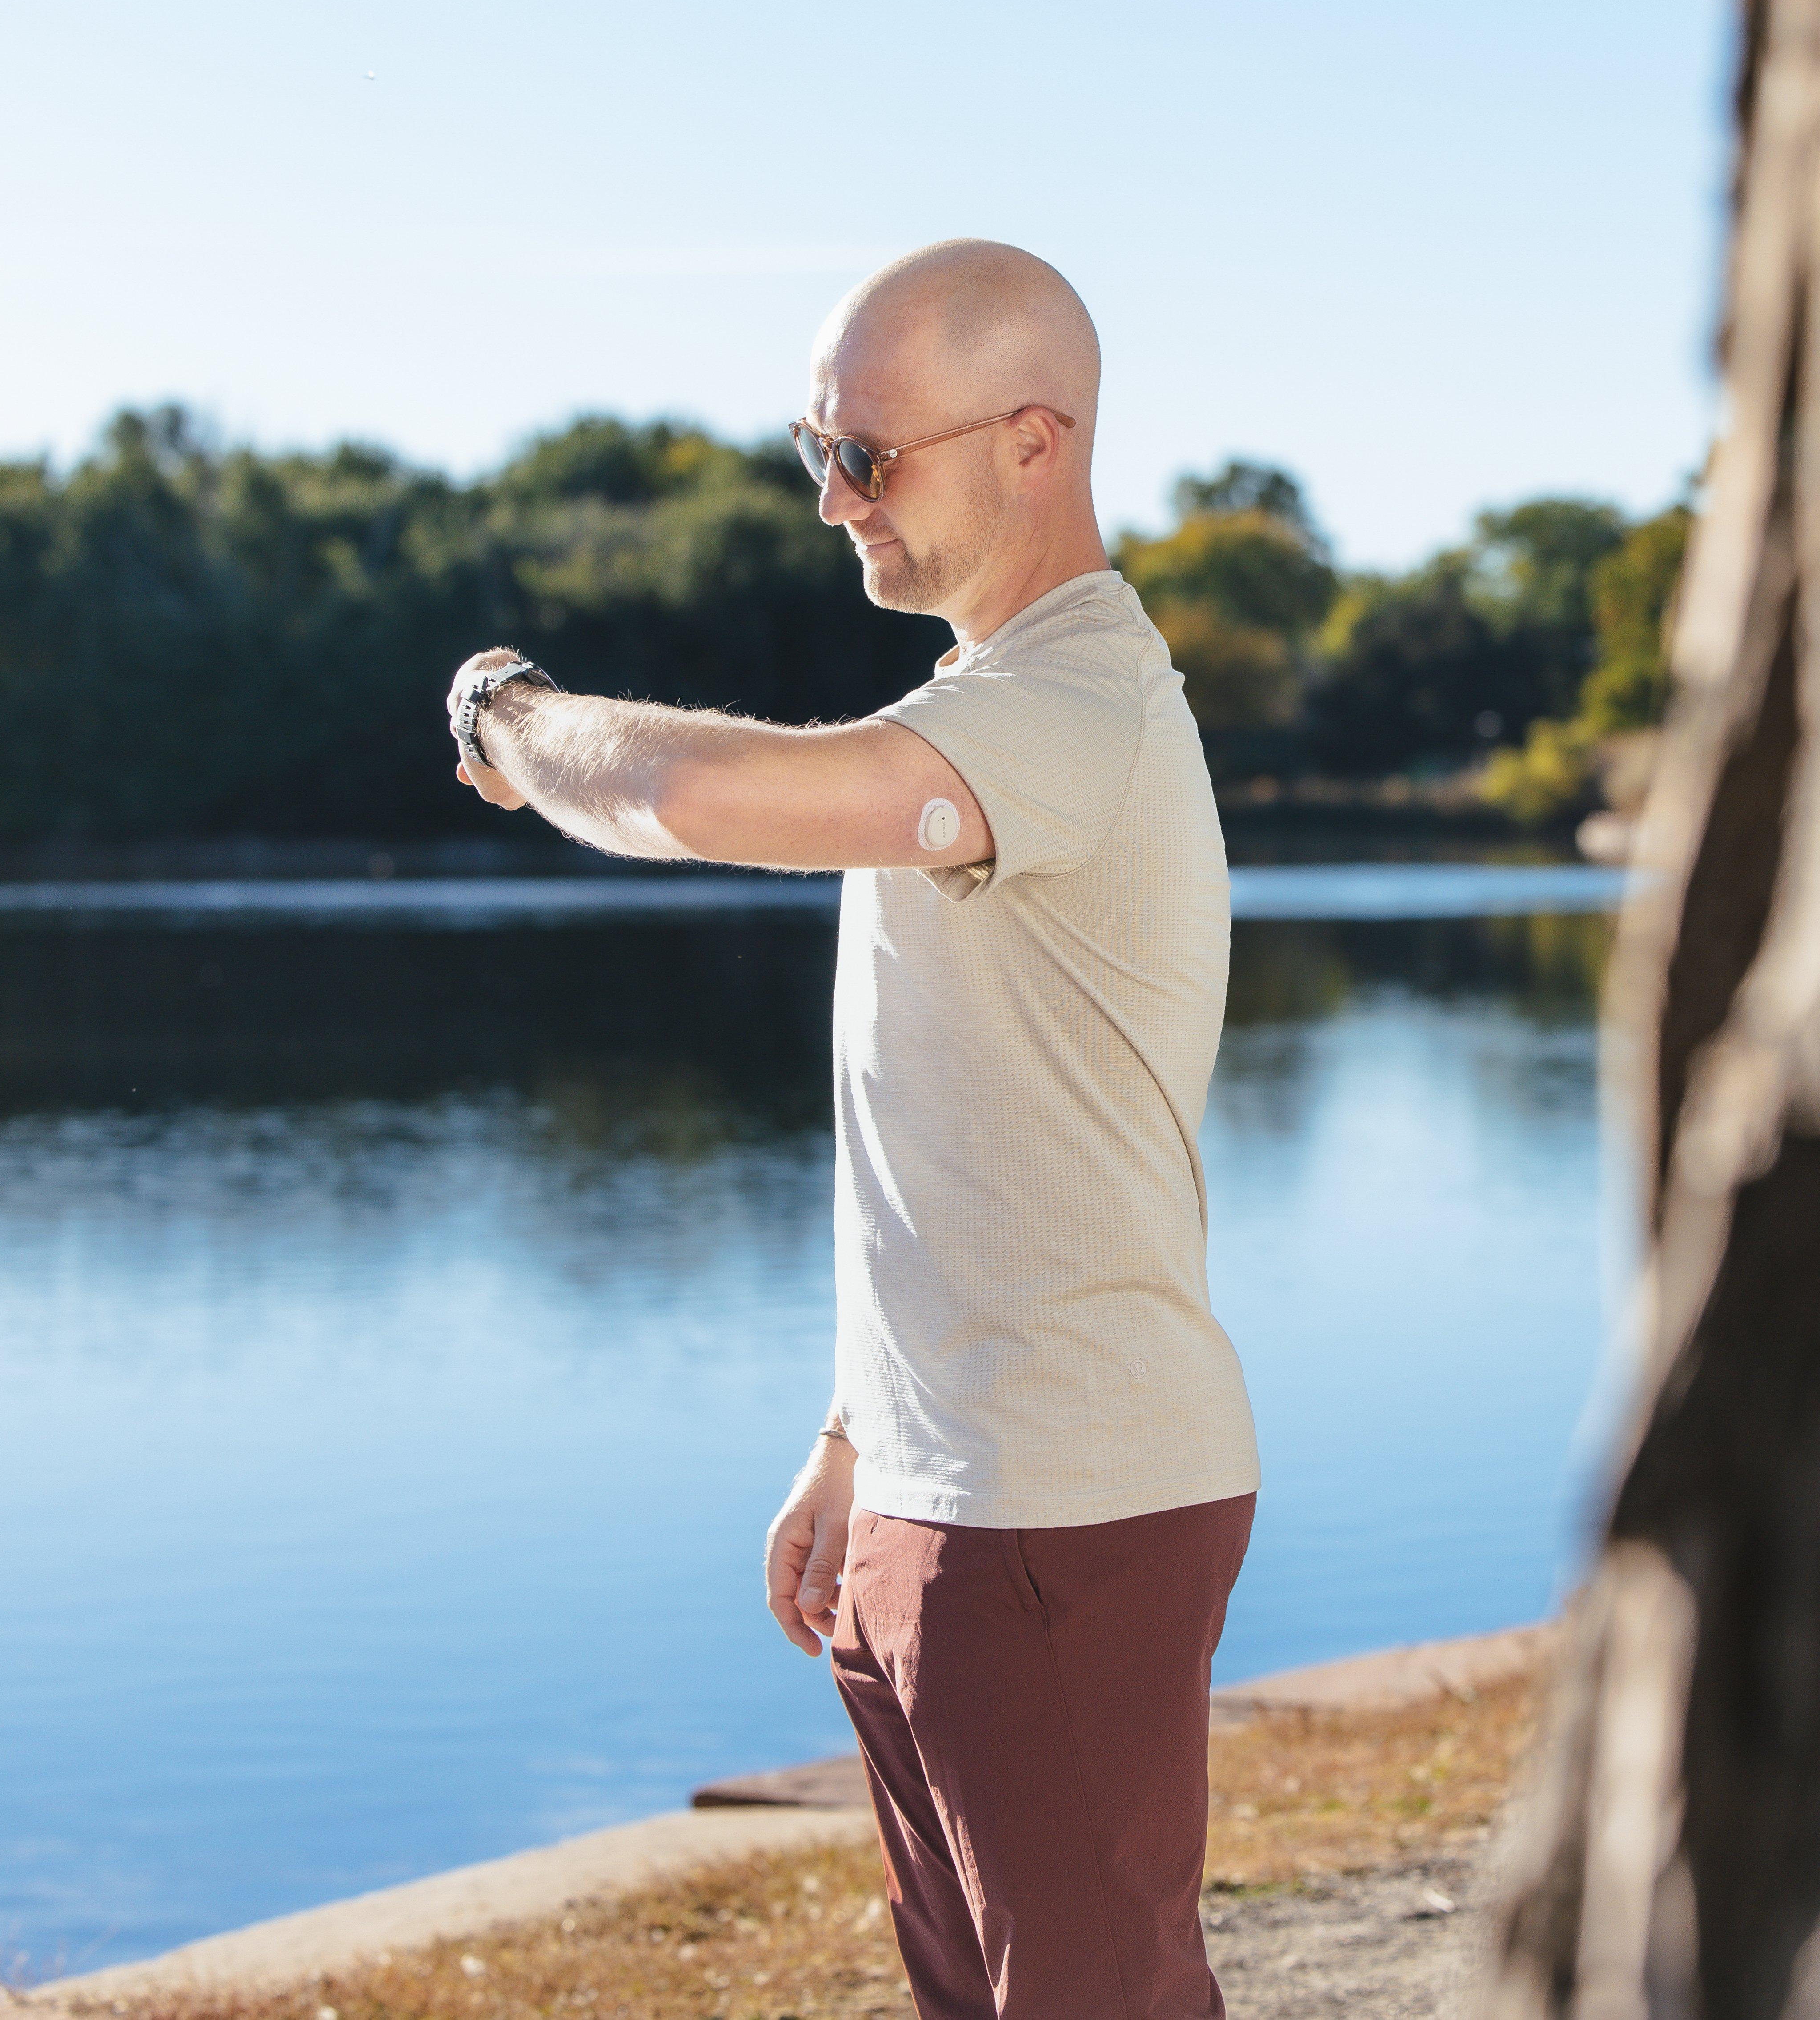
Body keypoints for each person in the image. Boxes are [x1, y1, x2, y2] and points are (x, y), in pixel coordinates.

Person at [442, 238, 1259, 2019]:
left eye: (865, 456)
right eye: (815, 450)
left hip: (1057, 1496)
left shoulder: (1069, 707)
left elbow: (697, 795)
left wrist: (508, 717)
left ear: (1033, 444)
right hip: (942, 1481)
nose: (829, 501)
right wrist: (853, 1438)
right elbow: (949, 1126)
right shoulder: (988, 714)